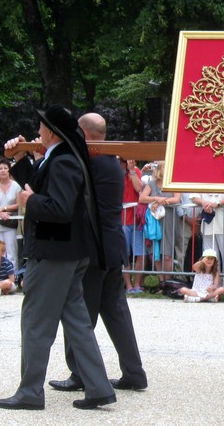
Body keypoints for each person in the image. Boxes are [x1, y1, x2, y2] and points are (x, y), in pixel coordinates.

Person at [0, 105, 115, 410]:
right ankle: (99, 387)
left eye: (41, 126)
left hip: (54, 255)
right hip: (67, 254)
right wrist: (21, 162)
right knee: (77, 324)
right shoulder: (62, 158)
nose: (37, 131)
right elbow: (38, 181)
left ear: (51, 131)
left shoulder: (63, 161)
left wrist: (30, 201)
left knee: (36, 323)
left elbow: (58, 208)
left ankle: (30, 392)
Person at [47, 112, 147, 394]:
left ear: (84, 133)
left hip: (92, 251)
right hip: (112, 248)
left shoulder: (88, 163)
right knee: (116, 314)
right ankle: (134, 372)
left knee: (80, 314)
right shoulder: (111, 162)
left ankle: (80, 373)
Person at [139, 161, 181, 286]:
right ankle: (161, 282)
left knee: (167, 254)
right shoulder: (151, 184)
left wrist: (161, 202)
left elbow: (176, 199)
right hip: (154, 220)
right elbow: (142, 198)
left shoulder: (174, 183)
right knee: (156, 253)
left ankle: (168, 282)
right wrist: (155, 198)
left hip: (168, 219)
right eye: (163, 167)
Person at [189, 193, 224, 273]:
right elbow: (193, 196)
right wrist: (204, 203)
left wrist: (217, 203)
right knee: (209, 257)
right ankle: (212, 283)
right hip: (208, 224)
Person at [0, 157, 21, 271]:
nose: (2, 170)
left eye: (5, 168)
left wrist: (4, 208)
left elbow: (18, 204)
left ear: (9, 170)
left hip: (10, 222)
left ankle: (13, 276)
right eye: (0, 168)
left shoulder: (16, 186)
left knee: (11, 251)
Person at [120, 157, 145, 293]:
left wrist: (131, 171)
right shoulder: (115, 171)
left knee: (140, 253)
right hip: (121, 220)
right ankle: (128, 285)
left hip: (136, 220)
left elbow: (139, 188)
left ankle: (137, 285)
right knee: (125, 254)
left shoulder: (135, 171)